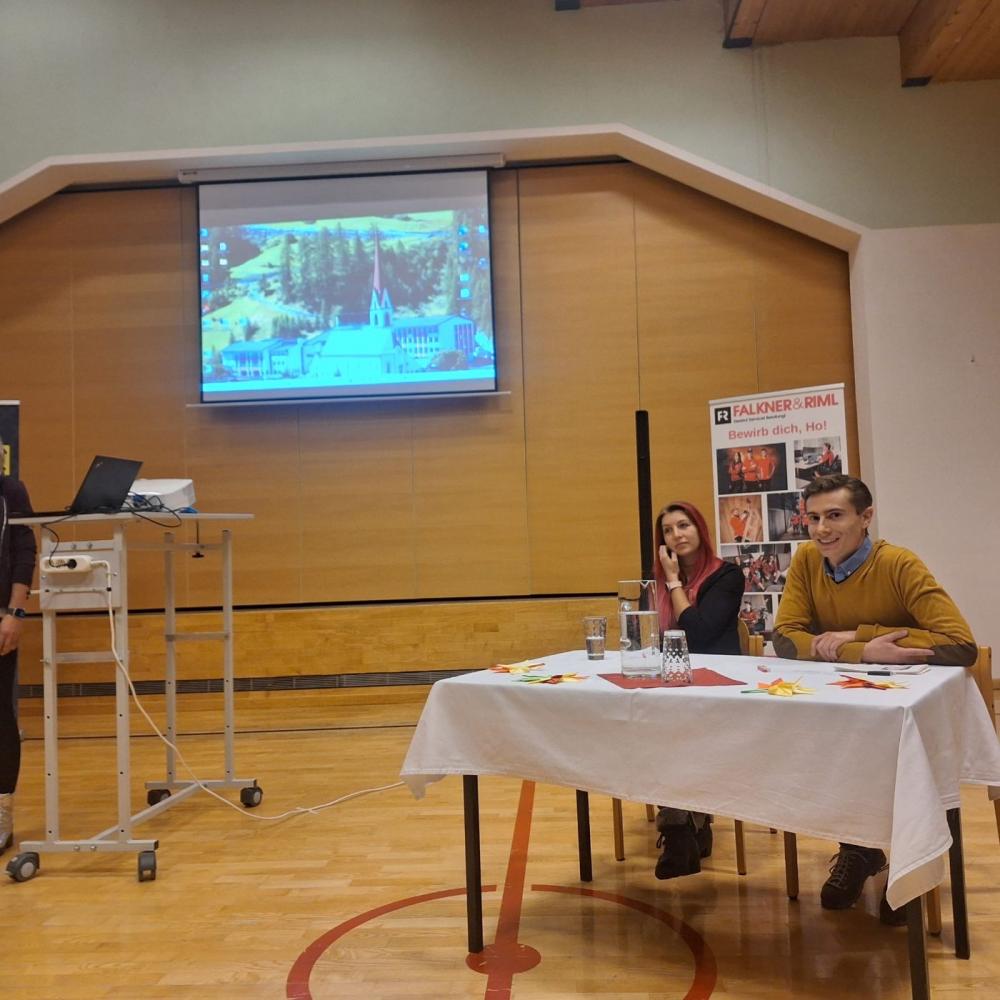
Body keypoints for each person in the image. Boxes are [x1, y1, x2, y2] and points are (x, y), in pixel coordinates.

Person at [774, 474, 975, 925]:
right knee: (825, 759)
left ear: (866, 517)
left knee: (899, 769)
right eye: (813, 518)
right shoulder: (806, 560)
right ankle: (860, 849)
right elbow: (786, 638)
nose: (821, 529)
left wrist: (858, 635)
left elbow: (960, 645)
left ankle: (910, 864)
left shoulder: (899, 564)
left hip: (907, 710)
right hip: (844, 708)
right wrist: (862, 650)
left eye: (835, 516)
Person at [650, 501, 745, 880]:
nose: (677, 535)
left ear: (700, 529)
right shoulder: (654, 584)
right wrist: (666, 581)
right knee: (650, 726)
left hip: (719, 686)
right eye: (668, 530)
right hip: (672, 686)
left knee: (680, 731)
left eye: (683, 525)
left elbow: (700, 633)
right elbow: (649, 640)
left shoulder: (727, 576)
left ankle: (682, 828)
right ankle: (686, 827)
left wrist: (674, 583)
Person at [0, 457, 36, 855]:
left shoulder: (10, 490)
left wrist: (15, 612)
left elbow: (25, 551)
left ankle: (2, 812)